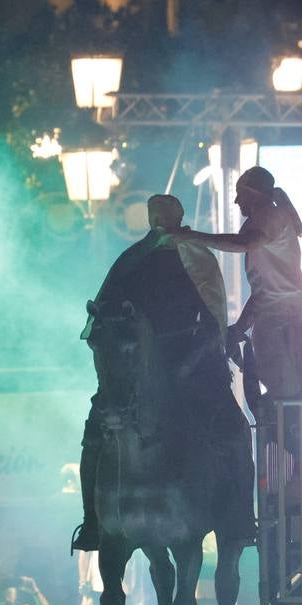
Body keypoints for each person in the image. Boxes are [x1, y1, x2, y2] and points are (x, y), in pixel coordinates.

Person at [72, 193, 237, 551]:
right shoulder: (133, 261)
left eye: (165, 215)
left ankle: (237, 516)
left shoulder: (197, 258)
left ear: (178, 217)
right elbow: (107, 313)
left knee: (233, 428)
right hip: (136, 365)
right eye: (154, 215)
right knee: (94, 433)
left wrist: (194, 360)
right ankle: (92, 521)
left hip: (192, 362)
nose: (159, 221)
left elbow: (211, 317)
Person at [169, 166, 302, 492]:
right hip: (281, 316)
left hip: (283, 319)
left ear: (254, 193)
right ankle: (296, 467)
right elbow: (263, 290)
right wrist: (241, 327)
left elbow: (244, 244)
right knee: (287, 397)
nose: (236, 201)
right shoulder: (273, 215)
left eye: (240, 193)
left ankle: (298, 470)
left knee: (286, 398)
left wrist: (192, 237)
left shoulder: (266, 216)